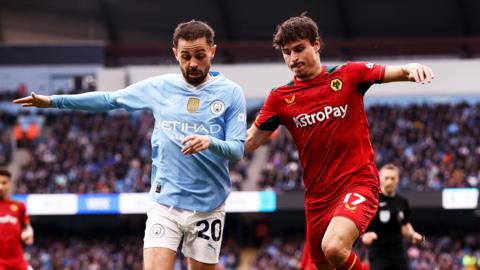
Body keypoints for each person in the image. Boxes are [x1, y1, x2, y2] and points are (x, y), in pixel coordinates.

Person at [13, 20, 247, 270]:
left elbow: (236, 149)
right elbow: (109, 99)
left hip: (208, 207)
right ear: (175, 54)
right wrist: (53, 101)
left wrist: (209, 142)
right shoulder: (160, 87)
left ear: (212, 51)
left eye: (200, 55)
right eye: (185, 56)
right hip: (165, 202)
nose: (192, 64)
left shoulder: (231, 93)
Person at [245, 13, 434, 270]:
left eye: (299, 49)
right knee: (324, 264)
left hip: (358, 183)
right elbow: (250, 141)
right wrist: (210, 144)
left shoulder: (349, 75)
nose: (293, 58)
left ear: (317, 45)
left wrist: (410, 68)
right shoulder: (280, 98)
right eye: (287, 53)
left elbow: (393, 71)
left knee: (334, 247)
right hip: (317, 198)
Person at [361, 164, 424, 270]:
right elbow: (361, 225)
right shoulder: (372, 201)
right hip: (378, 254)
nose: (389, 181)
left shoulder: (402, 202)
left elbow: (404, 225)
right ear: (380, 179)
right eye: (386, 178)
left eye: (392, 178)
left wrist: (413, 235)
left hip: (398, 254)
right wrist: (364, 237)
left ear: (397, 180)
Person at [0, 168, 34, 270]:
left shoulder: (19, 206)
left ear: (9, 184)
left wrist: (29, 233)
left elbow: (27, 227)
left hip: (17, 259)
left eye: (4, 183)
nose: (0, 186)